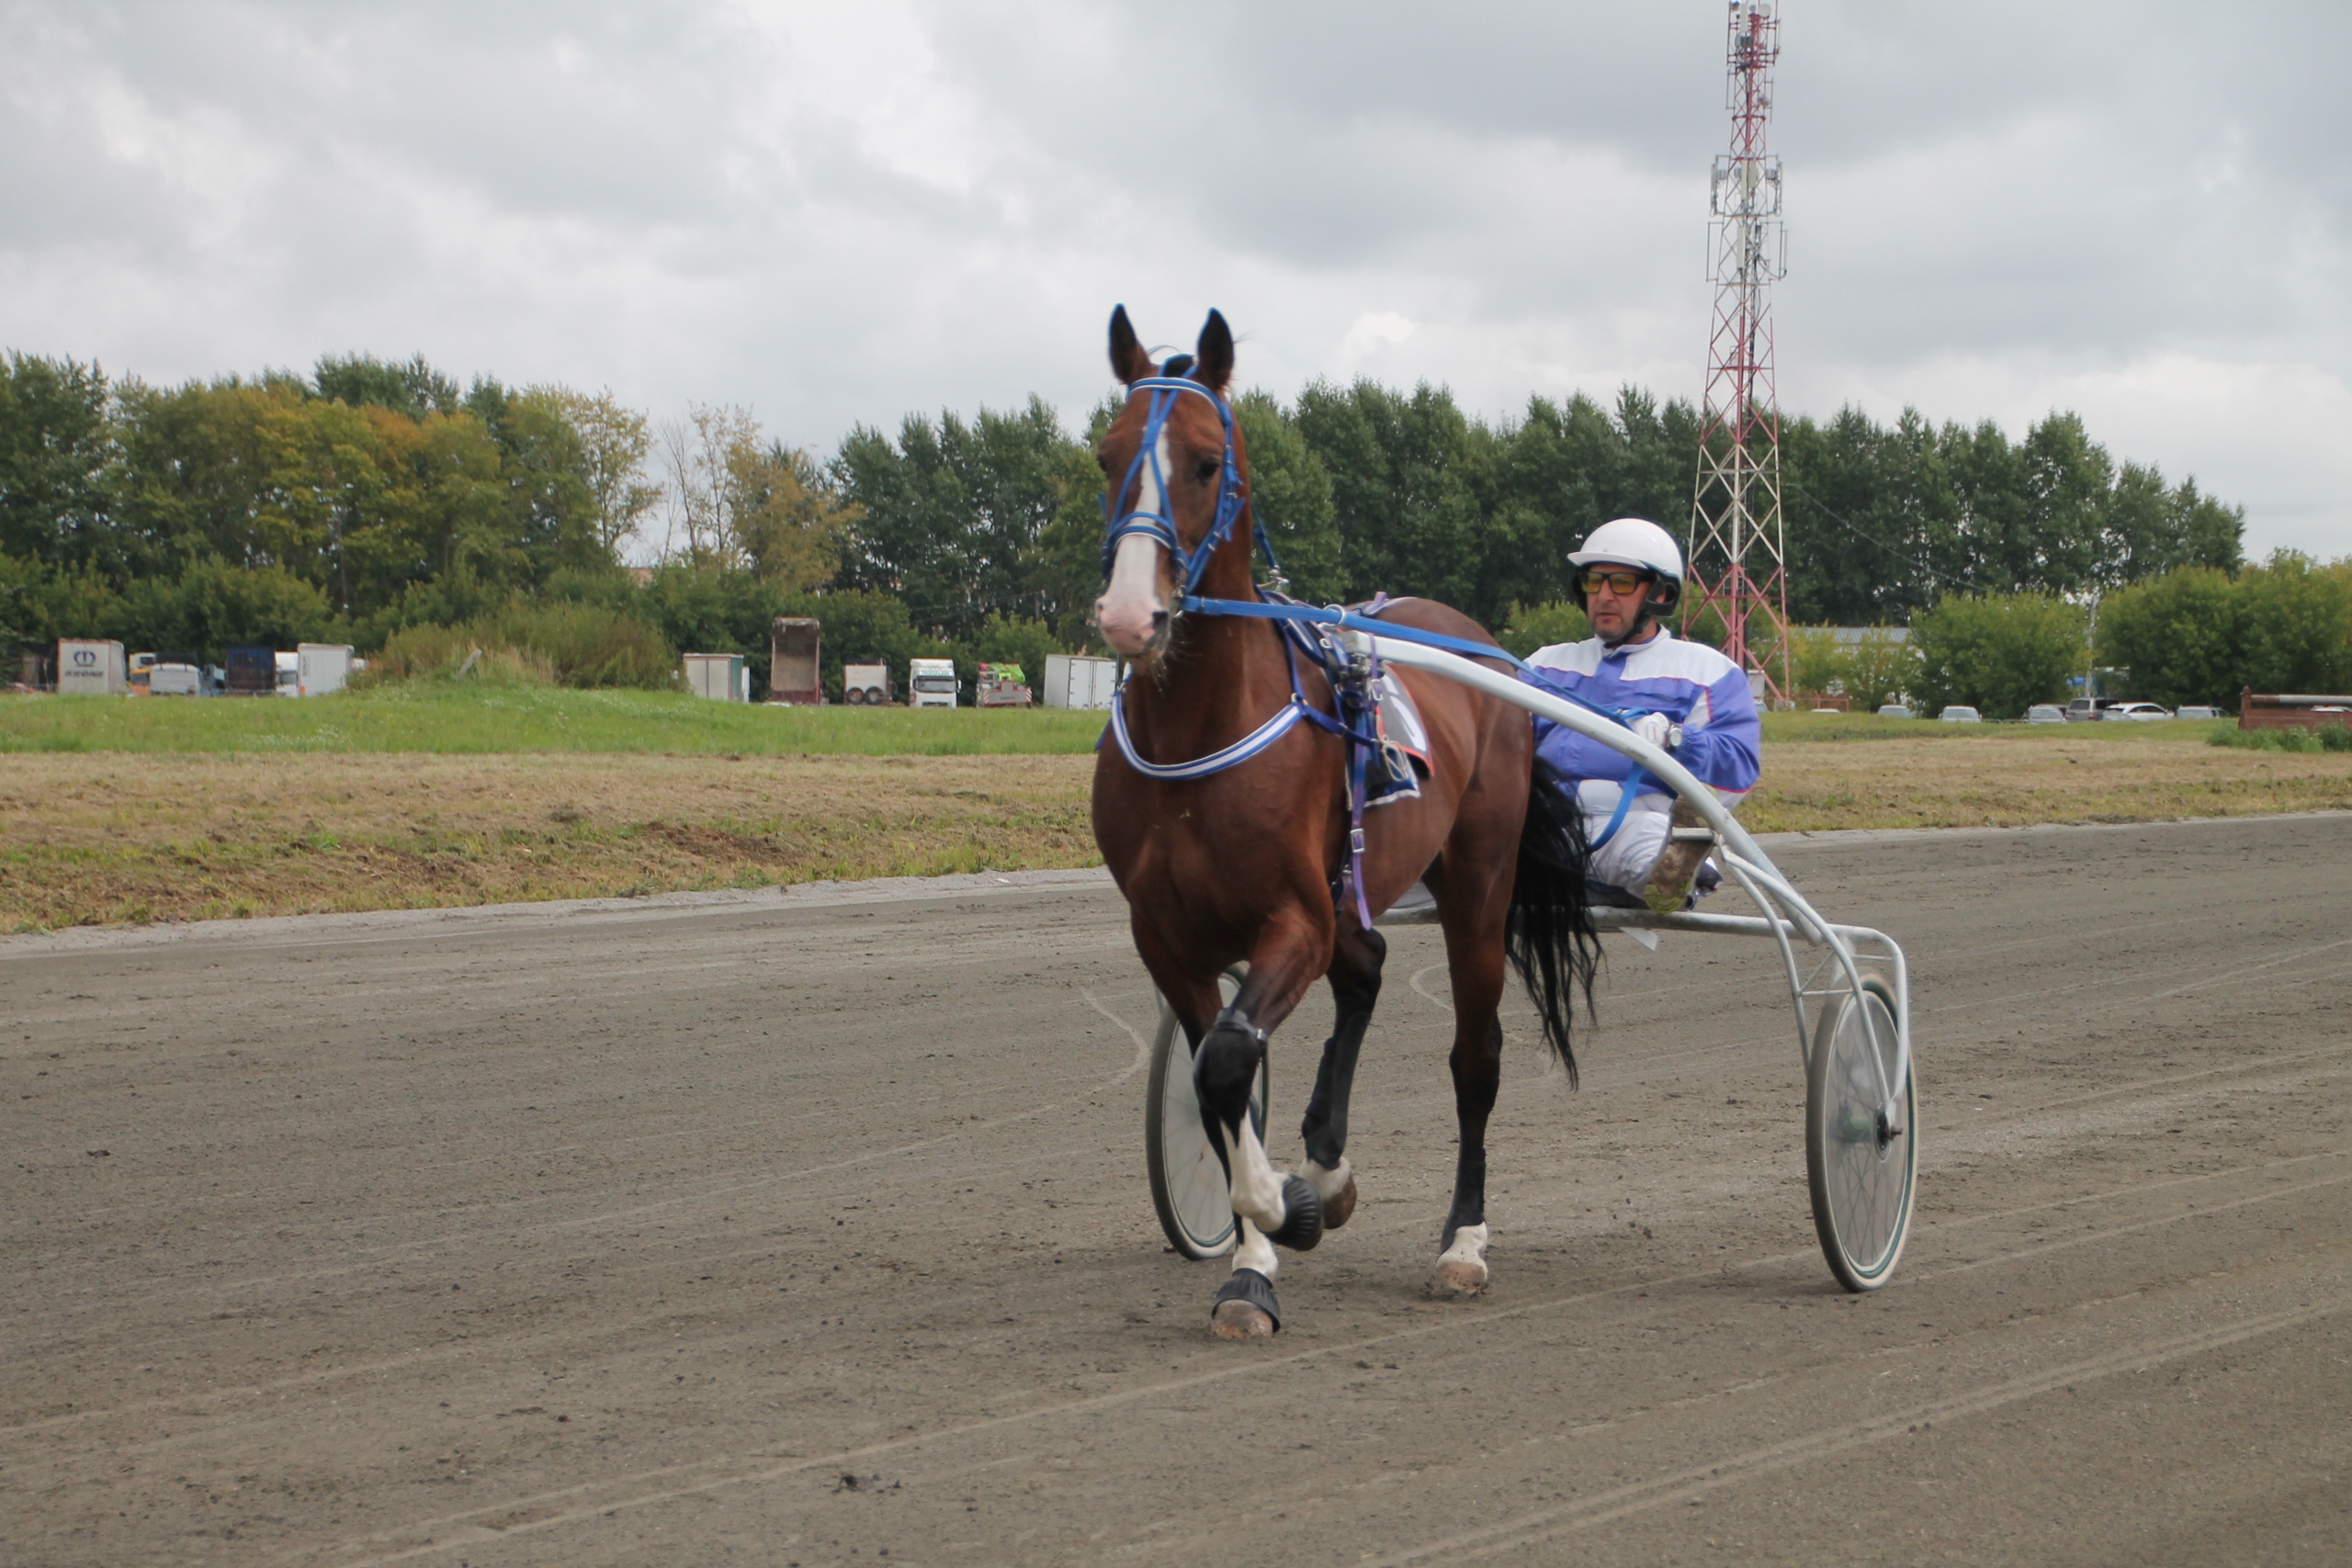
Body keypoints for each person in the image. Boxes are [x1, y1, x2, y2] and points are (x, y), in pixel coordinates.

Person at [1521, 517, 1761, 913]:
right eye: (1594, 582)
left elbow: (1738, 765)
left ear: (1661, 594)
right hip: (1544, 826)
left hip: (1637, 821)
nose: (1604, 595)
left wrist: (1673, 737)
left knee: (1647, 849)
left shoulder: (1709, 671)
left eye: (1622, 583)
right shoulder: (1543, 665)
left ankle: (1674, 868)